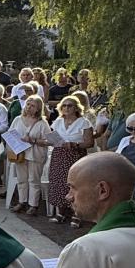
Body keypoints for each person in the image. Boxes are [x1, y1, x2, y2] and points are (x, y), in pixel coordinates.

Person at [47, 95, 94, 225]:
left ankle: (77, 214)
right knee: (59, 183)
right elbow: (52, 138)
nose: (66, 108)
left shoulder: (84, 122)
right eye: (64, 105)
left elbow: (89, 142)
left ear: (76, 108)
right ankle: (61, 212)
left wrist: (74, 145)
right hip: (59, 155)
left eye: (70, 105)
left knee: (76, 184)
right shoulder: (58, 121)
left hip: (75, 155)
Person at [7, 94, 51, 215]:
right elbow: (10, 134)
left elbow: (49, 141)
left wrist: (33, 140)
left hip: (35, 155)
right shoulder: (17, 119)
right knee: (22, 179)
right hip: (20, 154)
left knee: (33, 180)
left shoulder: (42, 123)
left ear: (38, 108)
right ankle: (22, 202)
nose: (29, 107)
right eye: (28, 104)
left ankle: (33, 205)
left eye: (32, 106)